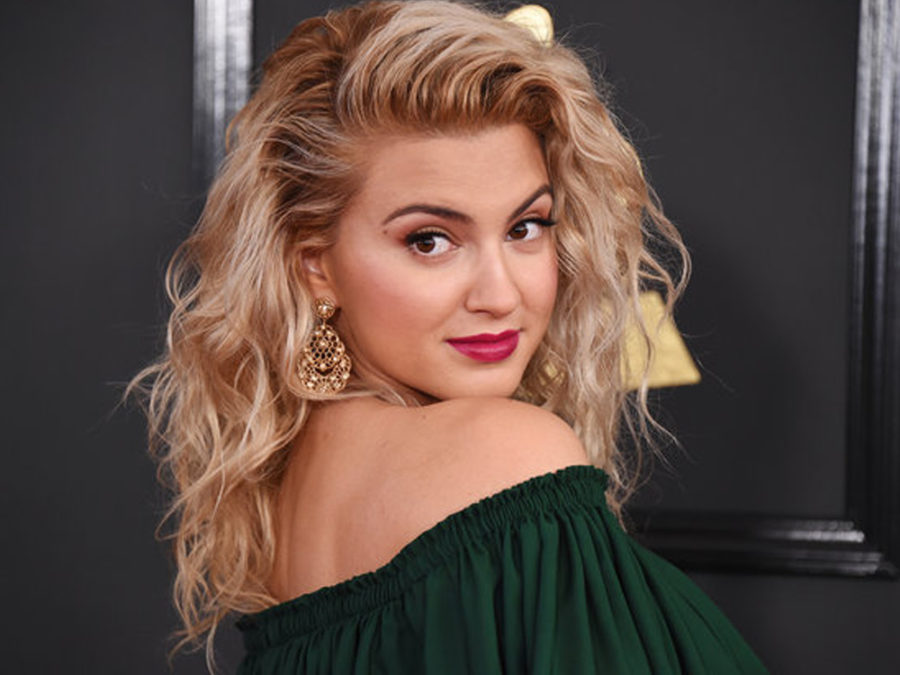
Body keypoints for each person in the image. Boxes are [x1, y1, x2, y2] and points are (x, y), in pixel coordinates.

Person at [129, 1, 767, 672]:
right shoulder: (509, 456)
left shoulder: (290, 502)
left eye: (525, 228)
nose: (501, 294)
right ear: (316, 267)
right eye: (430, 240)